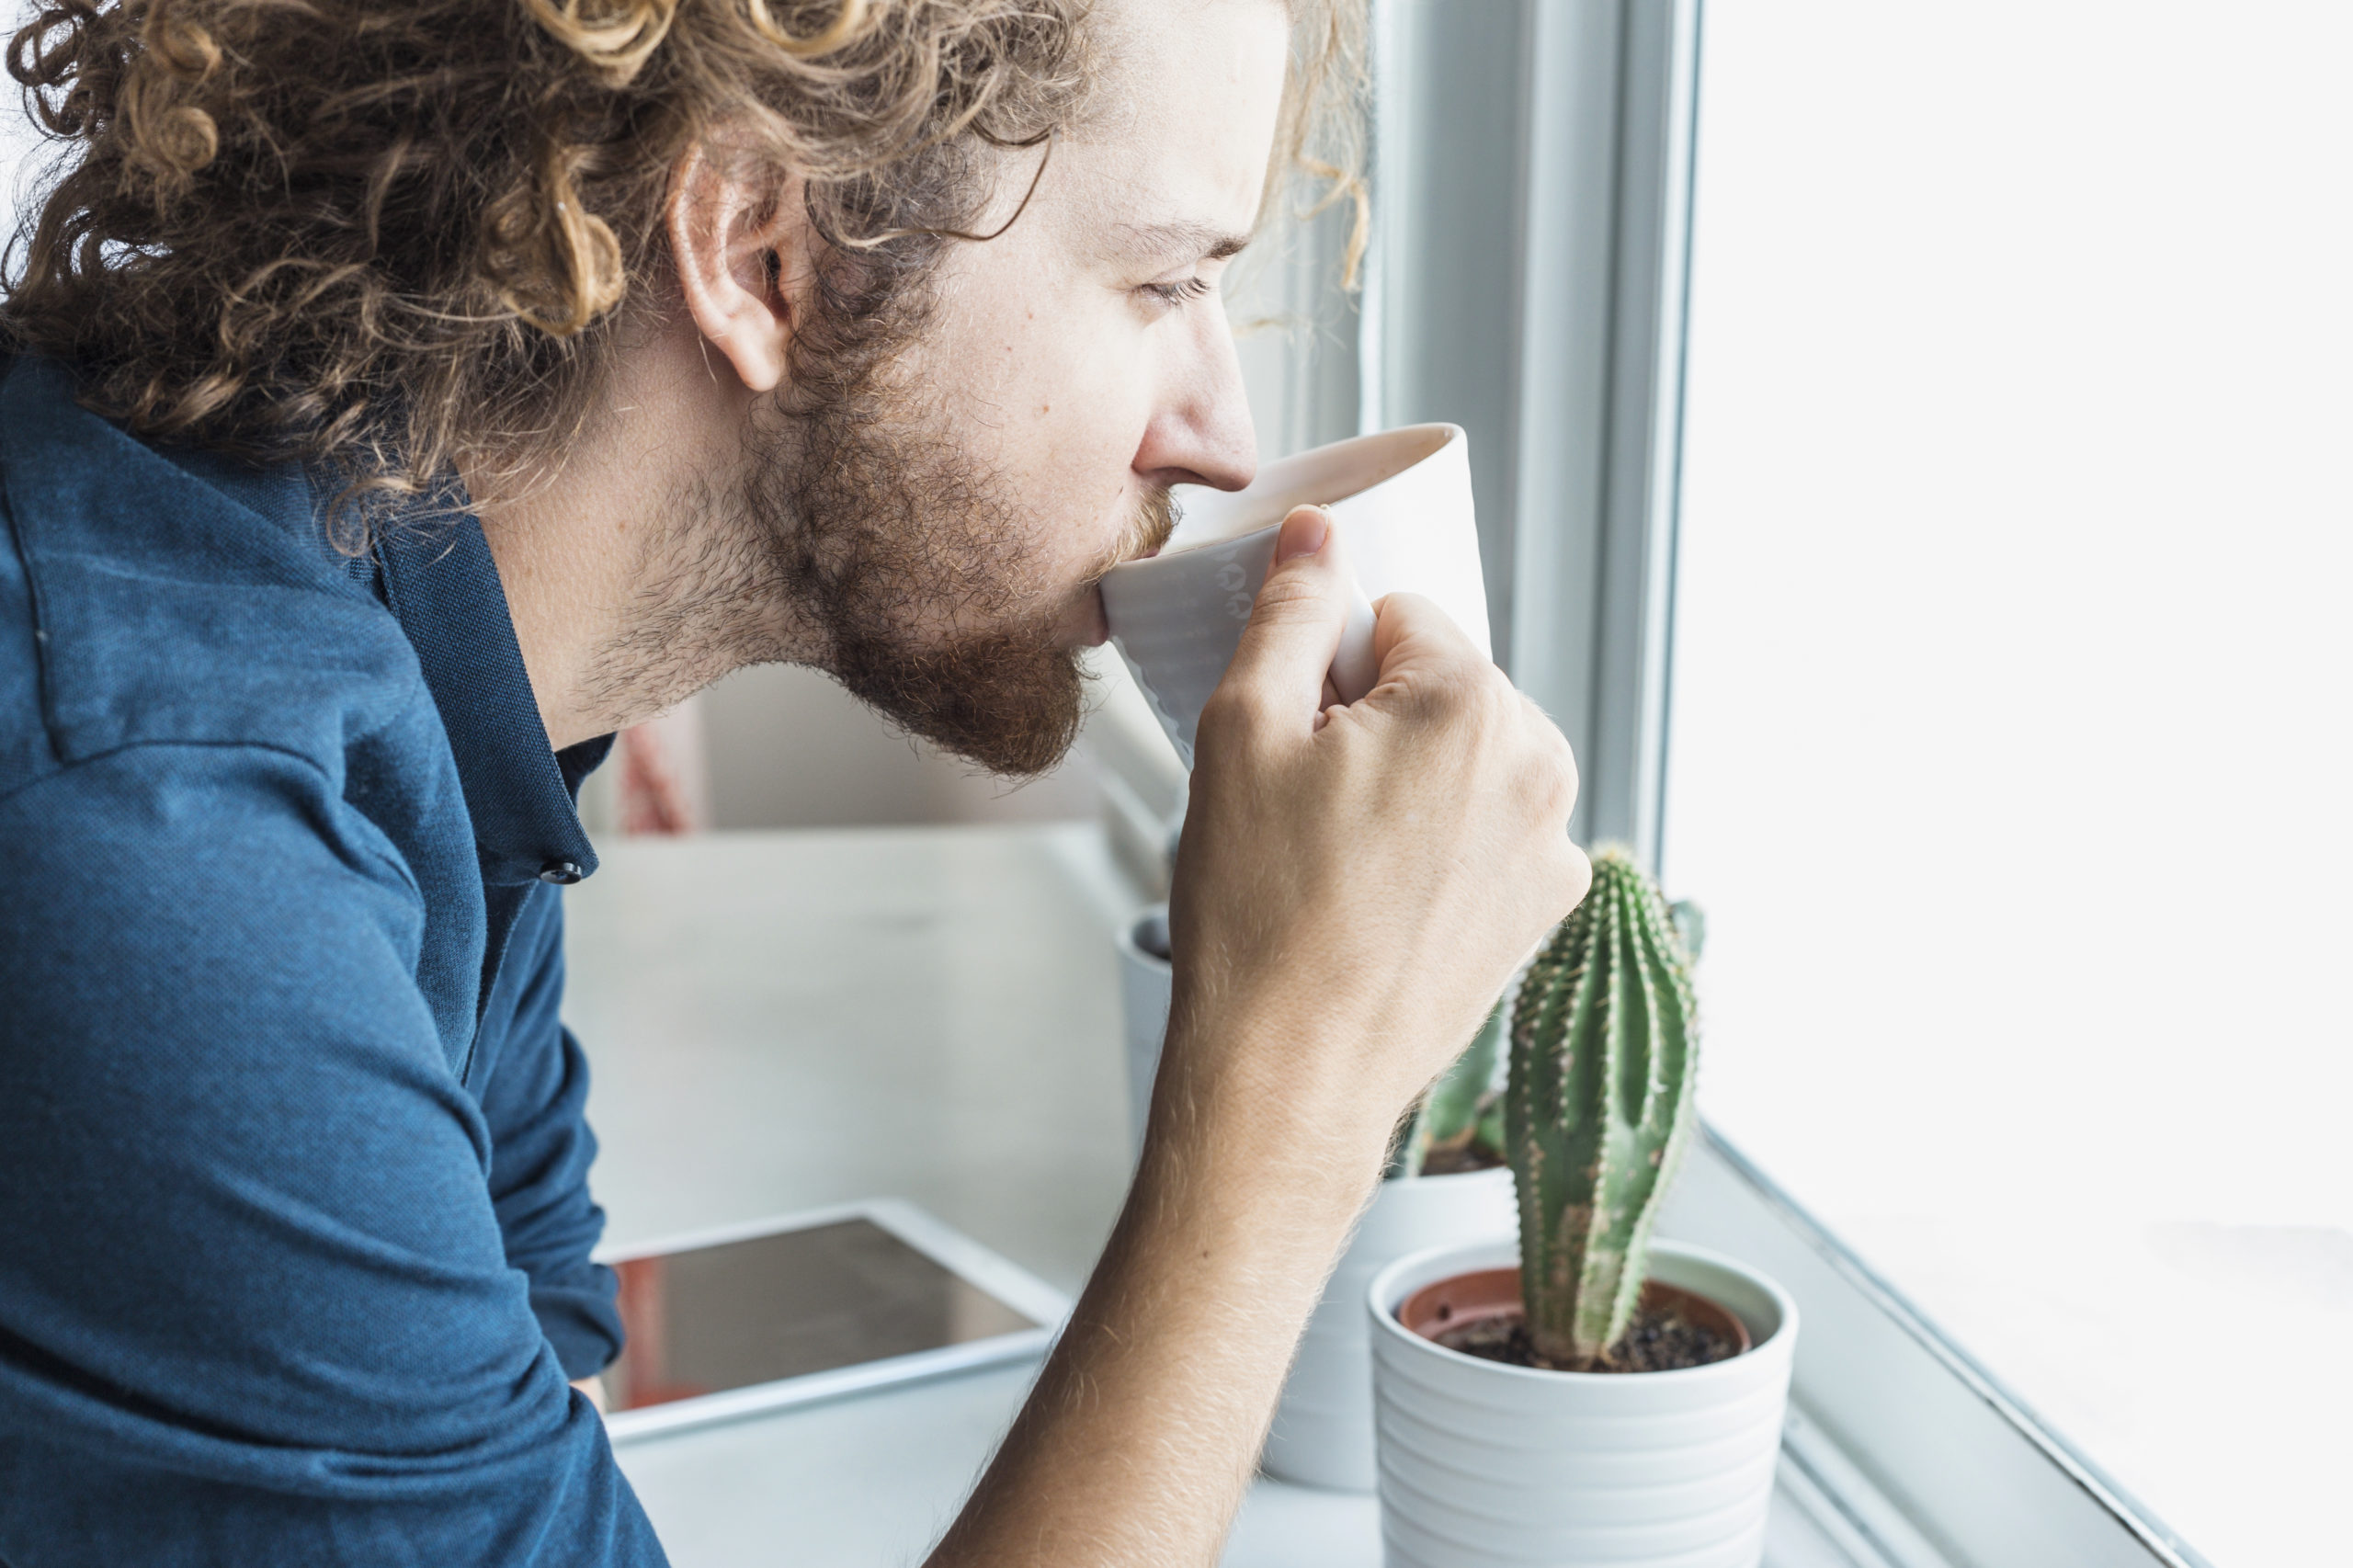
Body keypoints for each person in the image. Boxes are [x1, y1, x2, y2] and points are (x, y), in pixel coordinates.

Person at [0, 0, 1588, 1560]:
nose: (1221, 436)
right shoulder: (169, 840)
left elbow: (522, 1392)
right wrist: (1292, 1087)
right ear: (765, 248)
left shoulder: (425, 631)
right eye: (1161, 279)